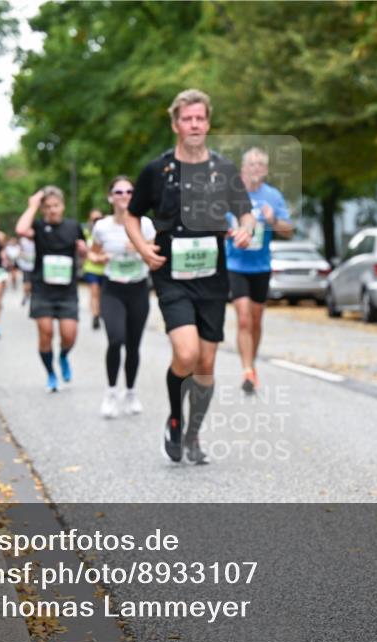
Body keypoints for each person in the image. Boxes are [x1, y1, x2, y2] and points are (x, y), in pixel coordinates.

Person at [125, 89, 255, 464]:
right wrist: (141, 247)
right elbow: (133, 214)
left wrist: (246, 229)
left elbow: (245, 213)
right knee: (186, 353)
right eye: (187, 119)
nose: (194, 124)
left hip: (213, 277)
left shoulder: (224, 170)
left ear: (208, 122)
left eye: (200, 118)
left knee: (207, 364)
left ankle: (193, 435)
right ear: (175, 124)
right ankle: (174, 418)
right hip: (171, 275)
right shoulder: (157, 171)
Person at [226, 147, 295, 394]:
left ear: (265, 170)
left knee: (255, 320)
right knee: (243, 318)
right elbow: (217, 224)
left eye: (259, 165)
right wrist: (231, 232)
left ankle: (251, 364)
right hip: (235, 264)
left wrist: (273, 220)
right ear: (243, 168)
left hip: (261, 266)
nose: (255, 168)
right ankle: (247, 370)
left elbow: (289, 229)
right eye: (251, 164)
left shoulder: (273, 196)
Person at [89, 176, 156, 418]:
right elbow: (93, 255)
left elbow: (156, 252)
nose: (125, 195)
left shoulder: (145, 225)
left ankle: (130, 391)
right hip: (113, 289)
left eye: (129, 191)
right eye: (119, 192)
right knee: (116, 339)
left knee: (134, 345)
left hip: (138, 288)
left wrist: (141, 248)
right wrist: (101, 258)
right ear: (111, 197)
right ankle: (110, 393)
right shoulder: (102, 227)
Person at [15, 185, 87, 393]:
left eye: (55, 206)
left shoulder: (73, 226)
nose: (52, 210)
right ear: (42, 209)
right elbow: (20, 230)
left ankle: (63, 356)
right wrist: (32, 205)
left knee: (69, 336)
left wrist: (82, 251)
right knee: (45, 333)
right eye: (47, 207)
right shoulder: (37, 226)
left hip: (67, 291)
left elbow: (85, 252)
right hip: (42, 290)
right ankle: (50, 374)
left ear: (62, 206)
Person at [82, 208, 106, 330]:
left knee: (102, 294)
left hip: (106, 269)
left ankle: (100, 312)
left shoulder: (107, 232)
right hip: (91, 268)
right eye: (94, 219)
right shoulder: (86, 233)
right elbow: (86, 251)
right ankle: (95, 316)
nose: (96, 221)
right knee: (94, 292)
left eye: (99, 219)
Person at [17, 234, 36, 306]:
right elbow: (19, 251)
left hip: (35, 266)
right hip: (26, 266)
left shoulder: (38, 239)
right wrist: (23, 256)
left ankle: (31, 296)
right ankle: (25, 295)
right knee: (26, 283)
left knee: (33, 283)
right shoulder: (23, 241)